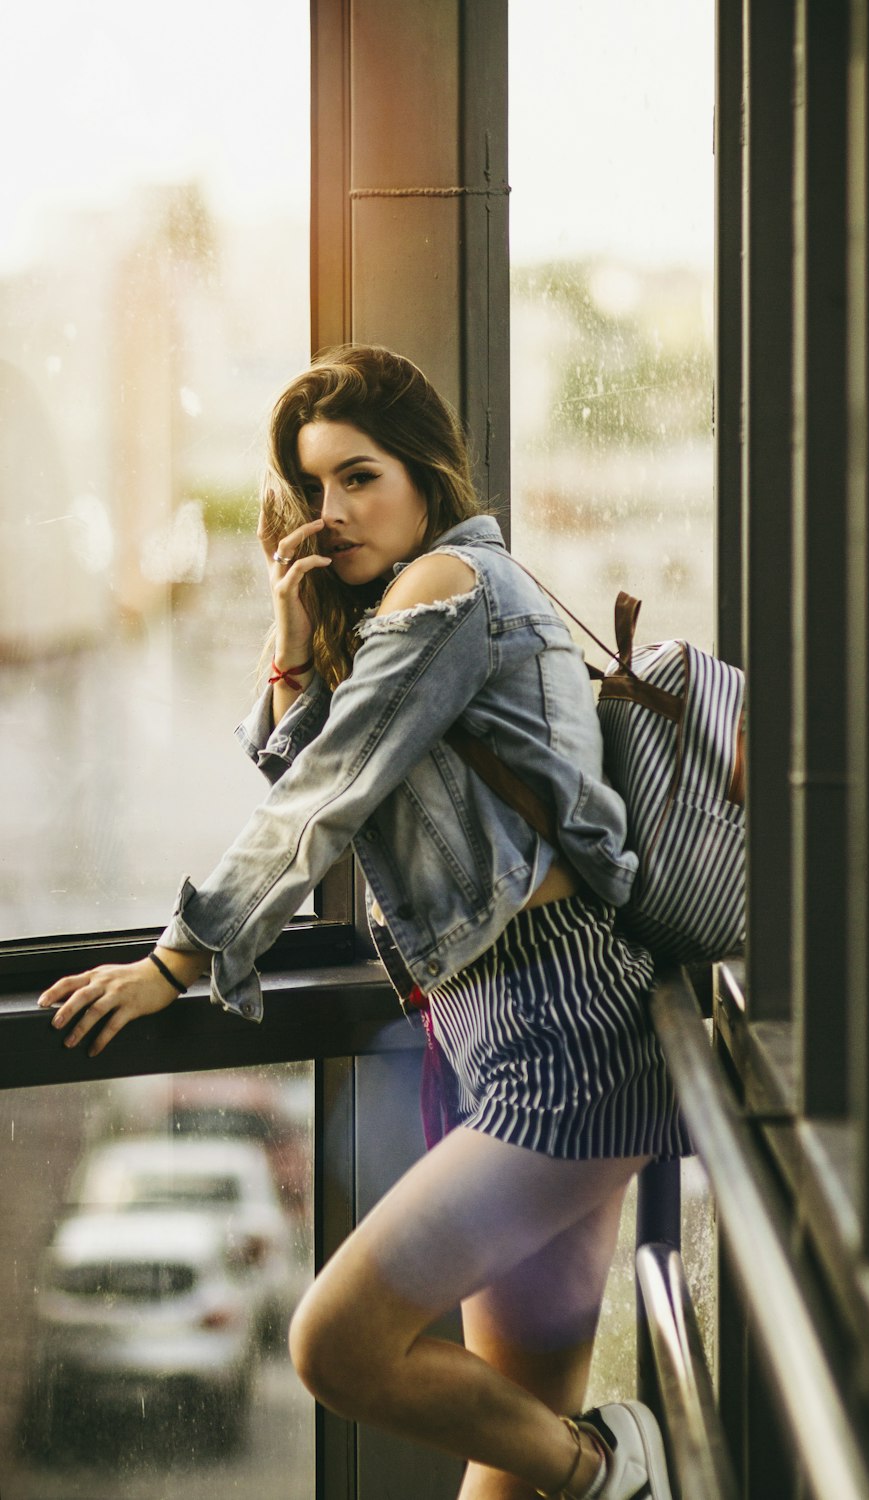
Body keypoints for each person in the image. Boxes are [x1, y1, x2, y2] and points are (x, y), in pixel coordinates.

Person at [38, 345, 689, 1500]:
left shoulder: (448, 586)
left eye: (360, 477)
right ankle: (588, 1466)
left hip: (562, 1028)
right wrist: (291, 650)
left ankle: (617, 1472)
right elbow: (333, 767)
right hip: (514, 1027)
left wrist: (175, 958)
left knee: (335, 1345)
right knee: (510, 1444)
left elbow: (324, 798)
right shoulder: (421, 599)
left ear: (426, 475)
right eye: (315, 485)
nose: (331, 512)